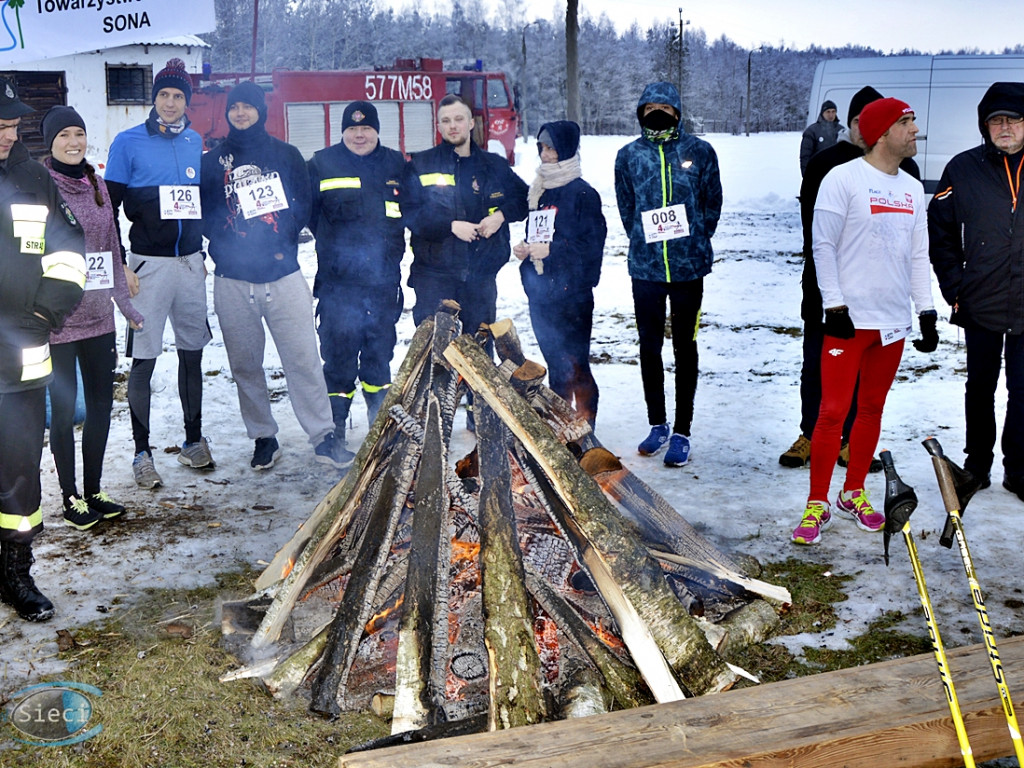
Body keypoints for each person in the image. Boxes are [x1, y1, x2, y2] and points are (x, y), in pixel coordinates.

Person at [792, 97, 938, 545]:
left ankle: (852, 492)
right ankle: (818, 501)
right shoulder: (843, 178)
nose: (915, 130)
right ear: (881, 132)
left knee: (871, 409)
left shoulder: (912, 187)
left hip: (892, 322)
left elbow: (918, 254)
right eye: (907, 123)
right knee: (832, 412)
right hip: (848, 322)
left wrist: (926, 310)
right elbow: (823, 247)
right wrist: (833, 306)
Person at [200, 82, 352, 471]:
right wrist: (223, 243)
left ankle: (323, 436)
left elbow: (303, 204)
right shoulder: (212, 160)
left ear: (260, 111)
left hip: (282, 273)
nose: (240, 114)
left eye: (248, 107)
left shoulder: (285, 154)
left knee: (303, 358)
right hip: (233, 278)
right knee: (245, 364)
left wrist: (282, 240)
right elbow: (205, 210)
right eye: (234, 107)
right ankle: (263, 436)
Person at [780, 86, 921, 471]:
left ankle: (850, 442)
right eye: (857, 121)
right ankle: (810, 433)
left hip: (878, 297)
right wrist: (830, 289)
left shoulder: (905, 169)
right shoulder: (827, 163)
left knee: (866, 372)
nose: (864, 129)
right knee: (816, 363)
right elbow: (816, 231)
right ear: (850, 122)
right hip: (827, 290)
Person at [0, 78, 87, 620]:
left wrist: (44, 312)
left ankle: (15, 574)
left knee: (18, 477)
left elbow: (69, 254)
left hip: (20, 367)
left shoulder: (33, 178)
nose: (8, 136)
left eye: (10, 126)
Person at [105, 58, 213, 489]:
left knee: (193, 352)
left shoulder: (194, 141)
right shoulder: (127, 142)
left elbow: (200, 203)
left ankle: (192, 440)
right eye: (164, 95)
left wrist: (203, 253)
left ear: (188, 102)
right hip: (147, 267)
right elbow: (107, 209)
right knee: (144, 360)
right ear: (154, 100)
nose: (171, 103)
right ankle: (142, 453)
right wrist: (120, 266)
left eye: (178, 96)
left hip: (189, 264)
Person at [41, 106, 144, 530]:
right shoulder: (40, 186)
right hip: (58, 322)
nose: (73, 142)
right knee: (64, 414)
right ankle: (69, 496)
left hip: (100, 319)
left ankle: (94, 489)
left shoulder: (97, 184)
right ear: (50, 142)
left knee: (101, 407)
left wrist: (126, 307)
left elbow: (112, 253)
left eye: (79, 134)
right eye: (64, 134)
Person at [403, 94, 528, 428]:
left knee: (479, 346)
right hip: (434, 274)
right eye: (446, 121)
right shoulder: (421, 164)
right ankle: (434, 419)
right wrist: (449, 226)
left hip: (480, 275)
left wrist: (501, 215)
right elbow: (409, 214)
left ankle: (479, 414)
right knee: (436, 349)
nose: (452, 126)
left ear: (471, 123)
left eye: (458, 119)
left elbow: (523, 198)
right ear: (439, 125)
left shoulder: (493, 166)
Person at [614, 81, 721, 467]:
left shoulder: (699, 152)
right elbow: (628, 208)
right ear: (640, 111)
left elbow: (712, 203)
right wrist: (646, 240)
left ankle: (682, 431)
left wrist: (694, 240)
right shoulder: (629, 156)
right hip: (646, 270)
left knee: (685, 347)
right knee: (648, 346)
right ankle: (657, 423)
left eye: (664, 106)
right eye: (649, 106)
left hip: (689, 269)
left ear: (677, 110)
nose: (656, 112)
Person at [929, 81, 1024, 500]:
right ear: (984, 126)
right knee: (980, 385)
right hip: (980, 296)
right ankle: (977, 464)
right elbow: (941, 231)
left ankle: (1019, 469)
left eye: (1013, 120)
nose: (1004, 127)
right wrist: (954, 286)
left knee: (1023, 388)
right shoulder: (963, 168)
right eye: (995, 121)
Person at [307, 101, 407, 445]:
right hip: (339, 286)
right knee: (338, 359)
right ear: (343, 132)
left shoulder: (396, 164)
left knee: (379, 357)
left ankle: (379, 430)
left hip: (383, 284)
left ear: (377, 131)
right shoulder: (322, 163)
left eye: (366, 129)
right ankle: (333, 430)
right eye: (352, 129)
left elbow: (415, 210)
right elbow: (305, 210)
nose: (359, 135)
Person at [513, 120, 605, 424]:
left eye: (551, 146)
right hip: (542, 295)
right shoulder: (539, 190)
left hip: (573, 296)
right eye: (541, 146)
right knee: (555, 365)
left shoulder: (583, 194)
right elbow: (538, 235)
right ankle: (561, 426)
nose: (545, 153)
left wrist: (553, 250)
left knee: (577, 365)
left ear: (566, 148)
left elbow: (591, 246)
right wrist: (527, 250)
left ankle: (586, 427)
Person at [800, 100, 843, 175]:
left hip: (838, 175)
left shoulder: (842, 130)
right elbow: (805, 156)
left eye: (833, 112)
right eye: (828, 112)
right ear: (822, 113)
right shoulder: (812, 131)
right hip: (818, 174)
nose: (831, 115)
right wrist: (807, 177)